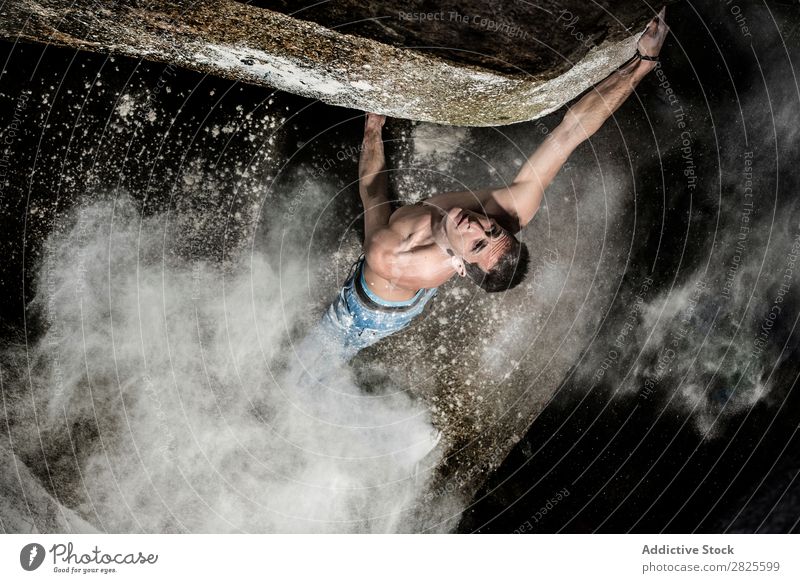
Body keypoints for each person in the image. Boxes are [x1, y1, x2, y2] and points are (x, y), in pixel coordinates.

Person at [314, 8, 670, 363]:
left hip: (366, 312)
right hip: (420, 272)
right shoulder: (509, 210)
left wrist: (372, 128)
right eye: (492, 229)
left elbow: (373, 191)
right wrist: (643, 62)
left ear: (459, 267)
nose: (476, 225)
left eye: (478, 243)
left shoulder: (390, 253)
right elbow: (569, 134)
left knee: (321, 354)